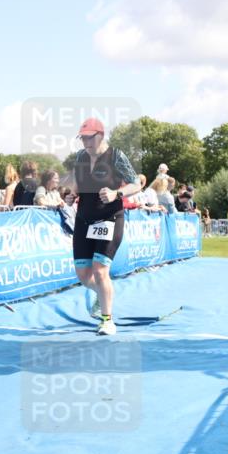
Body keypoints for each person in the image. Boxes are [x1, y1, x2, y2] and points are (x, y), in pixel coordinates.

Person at [71, 117, 141, 335]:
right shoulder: (81, 157)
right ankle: (104, 293)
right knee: (83, 275)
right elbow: (78, 183)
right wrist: (71, 195)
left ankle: (107, 320)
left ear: (100, 135)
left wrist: (116, 193)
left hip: (109, 219)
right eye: (82, 138)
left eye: (89, 138)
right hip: (83, 220)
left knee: (100, 271)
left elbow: (136, 183)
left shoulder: (116, 156)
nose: (85, 142)